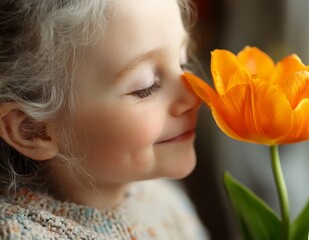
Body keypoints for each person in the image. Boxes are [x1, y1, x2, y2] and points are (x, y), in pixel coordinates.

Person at [0, 0, 209, 239]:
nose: (194, 95)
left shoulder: (163, 198)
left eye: (183, 62)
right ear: (33, 130)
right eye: (146, 86)